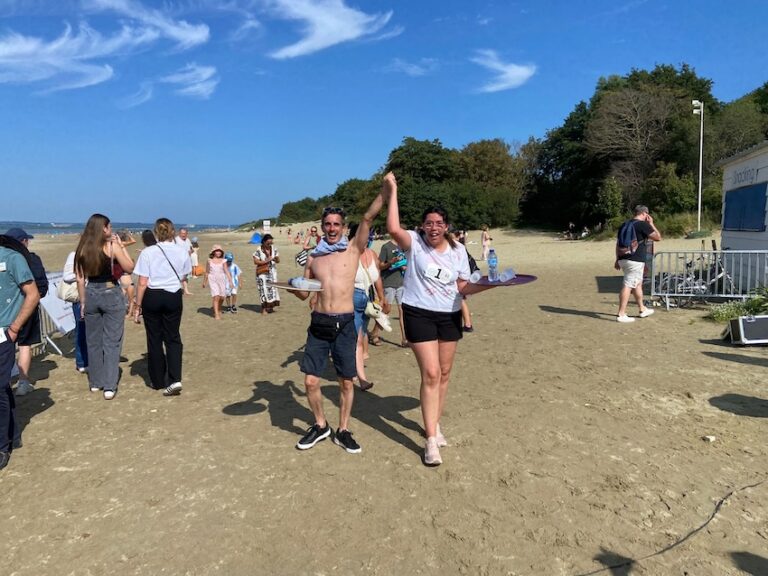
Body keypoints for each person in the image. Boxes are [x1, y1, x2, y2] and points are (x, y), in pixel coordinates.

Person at [383, 172, 495, 466]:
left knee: (444, 374)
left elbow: (462, 287)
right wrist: (392, 189)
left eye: (439, 223)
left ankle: (434, 424)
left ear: (447, 227)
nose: (433, 228)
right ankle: (430, 441)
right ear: (423, 225)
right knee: (431, 373)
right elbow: (393, 227)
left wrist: (490, 284)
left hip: (449, 315)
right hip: (419, 312)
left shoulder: (458, 251)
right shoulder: (414, 243)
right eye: (428, 223)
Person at [290, 186, 386, 454]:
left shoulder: (354, 249)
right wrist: (291, 286)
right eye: (327, 224)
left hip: (344, 323)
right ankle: (321, 426)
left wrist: (386, 191)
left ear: (344, 227)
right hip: (319, 322)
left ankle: (343, 430)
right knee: (310, 381)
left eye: (336, 224)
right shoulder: (313, 256)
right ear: (322, 227)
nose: (332, 228)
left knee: (346, 381)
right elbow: (303, 294)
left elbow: (367, 218)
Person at [75, 213, 135, 400]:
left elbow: (79, 277)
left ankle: (96, 382)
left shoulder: (83, 248)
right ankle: (109, 385)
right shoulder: (111, 246)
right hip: (110, 292)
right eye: (109, 227)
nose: (111, 230)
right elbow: (130, 267)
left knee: (93, 341)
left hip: (91, 293)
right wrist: (121, 248)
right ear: (104, 228)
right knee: (112, 341)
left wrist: (83, 301)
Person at [134, 218, 192, 396]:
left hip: (152, 295)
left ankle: (158, 380)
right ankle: (175, 379)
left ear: (156, 233)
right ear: (173, 232)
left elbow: (142, 282)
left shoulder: (148, 252)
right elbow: (184, 276)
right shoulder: (181, 252)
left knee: (154, 338)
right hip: (173, 295)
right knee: (173, 337)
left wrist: (137, 305)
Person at [0, 234, 40, 470]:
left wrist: (14, 329)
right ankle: (12, 436)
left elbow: (33, 294)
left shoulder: (12, 259)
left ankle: (2, 445)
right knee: (3, 388)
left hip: (3, 334)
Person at [4, 228, 47, 397]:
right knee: (24, 346)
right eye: (26, 240)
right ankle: (23, 382)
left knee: (6, 347)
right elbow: (42, 285)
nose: (28, 243)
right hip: (27, 309)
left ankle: (8, 382)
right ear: (22, 242)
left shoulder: (5, 259)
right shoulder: (31, 259)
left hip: (7, 310)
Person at [349, 223, 388, 392]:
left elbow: (377, 277)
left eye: (368, 236)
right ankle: (360, 376)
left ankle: (354, 369)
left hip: (368, 299)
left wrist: (382, 297)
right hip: (351, 297)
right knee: (356, 336)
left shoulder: (371, 254)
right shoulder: (348, 254)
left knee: (362, 332)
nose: (366, 239)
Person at [615, 205, 661, 322]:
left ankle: (642, 309)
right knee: (628, 284)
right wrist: (651, 224)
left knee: (637, 284)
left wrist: (617, 259)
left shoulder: (624, 224)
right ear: (645, 213)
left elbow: (618, 243)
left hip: (623, 257)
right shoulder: (643, 225)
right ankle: (621, 314)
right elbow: (657, 237)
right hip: (635, 259)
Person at [369, 236, 407, 347]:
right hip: (388, 283)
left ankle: (404, 339)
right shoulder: (386, 247)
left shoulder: (403, 247)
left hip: (401, 283)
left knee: (402, 311)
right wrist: (391, 262)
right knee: (386, 309)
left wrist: (404, 266)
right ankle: (375, 333)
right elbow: (379, 266)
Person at [62, 250, 88, 373]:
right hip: (79, 298)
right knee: (81, 331)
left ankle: (94, 360)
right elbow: (66, 276)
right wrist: (84, 274)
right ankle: (81, 362)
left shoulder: (98, 253)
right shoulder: (74, 255)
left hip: (96, 296)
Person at [202, 245, 232, 320]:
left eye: (220, 251)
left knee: (222, 297)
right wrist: (204, 282)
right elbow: (207, 272)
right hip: (212, 279)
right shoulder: (209, 260)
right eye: (216, 251)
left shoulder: (223, 260)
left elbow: (226, 271)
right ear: (213, 252)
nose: (218, 252)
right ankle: (216, 314)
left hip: (221, 279)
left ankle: (218, 308)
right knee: (216, 296)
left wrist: (230, 281)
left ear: (221, 252)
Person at [252, 234, 280, 314]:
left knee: (273, 290)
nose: (270, 244)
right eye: (268, 243)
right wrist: (266, 261)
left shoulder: (274, 249)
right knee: (263, 290)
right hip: (262, 273)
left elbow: (278, 261)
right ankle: (264, 309)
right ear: (264, 242)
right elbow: (255, 261)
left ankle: (270, 307)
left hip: (272, 273)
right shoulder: (259, 250)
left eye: (271, 242)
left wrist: (276, 258)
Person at [117, 230, 137, 321]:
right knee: (120, 299)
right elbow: (133, 241)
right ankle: (128, 312)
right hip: (123, 282)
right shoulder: (117, 245)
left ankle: (130, 313)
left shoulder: (121, 244)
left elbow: (133, 241)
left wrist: (128, 234)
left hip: (128, 283)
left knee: (131, 300)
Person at [175, 228, 194, 295]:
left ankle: (186, 290)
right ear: (179, 233)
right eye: (182, 233)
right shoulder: (175, 240)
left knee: (185, 276)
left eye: (185, 233)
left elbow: (190, 249)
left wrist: (191, 251)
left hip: (187, 261)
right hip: (178, 261)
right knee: (178, 276)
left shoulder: (188, 240)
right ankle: (177, 289)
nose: (183, 235)